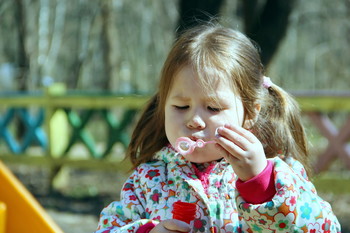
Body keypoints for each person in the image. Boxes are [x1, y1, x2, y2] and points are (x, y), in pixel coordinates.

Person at [95, 24, 341, 232]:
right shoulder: (147, 180)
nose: (194, 120)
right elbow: (108, 226)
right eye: (181, 106)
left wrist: (261, 185)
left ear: (251, 112)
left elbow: (326, 227)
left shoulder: (281, 175)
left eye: (213, 108)